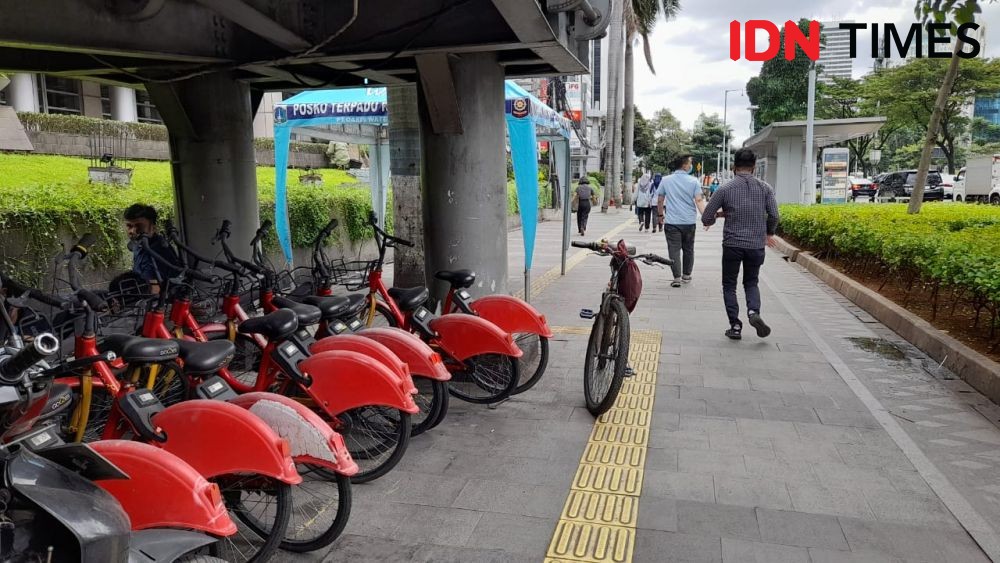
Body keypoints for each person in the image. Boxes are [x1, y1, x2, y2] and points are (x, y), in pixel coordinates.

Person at [701, 148, 780, 341]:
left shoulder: (725, 189)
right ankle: (753, 312)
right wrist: (768, 233)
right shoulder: (765, 188)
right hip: (755, 245)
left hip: (732, 245)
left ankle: (735, 325)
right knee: (751, 282)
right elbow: (774, 215)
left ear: (734, 166)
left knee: (729, 285)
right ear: (753, 167)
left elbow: (706, 217)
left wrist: (715, 218)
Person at [656, 155, 706, 288]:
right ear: (684, 165)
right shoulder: (694, 181)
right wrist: (706, 218)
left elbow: (660, 199)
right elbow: (699, 201)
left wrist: (660, 215)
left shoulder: (665, 180)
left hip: (672, 222)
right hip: (689, 222)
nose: (691, 165)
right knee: (689, 249)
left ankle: (676, 277)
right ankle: (686, 275)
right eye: (690, 163)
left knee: (674, 250)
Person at [123, 204, 180, 294]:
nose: (132, 231)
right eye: (129, 226)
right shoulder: (140, 246)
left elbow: (154, 290)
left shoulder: (158, 251)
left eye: (139, 226)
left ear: (153, 227)